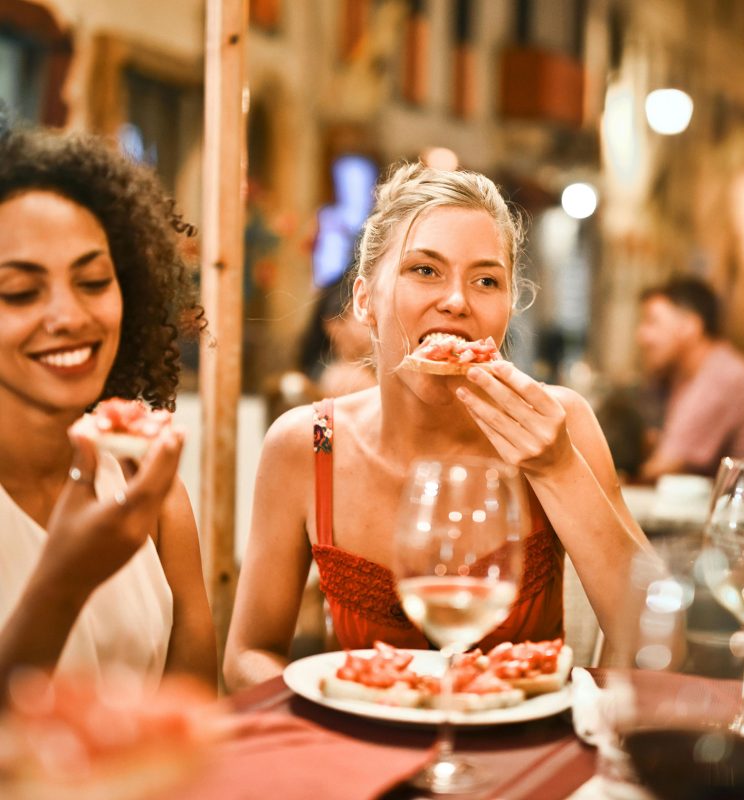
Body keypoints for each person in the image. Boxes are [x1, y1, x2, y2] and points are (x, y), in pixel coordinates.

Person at [224, 162, 650, 687]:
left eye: (486, 280)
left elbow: (655, 642)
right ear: (364, 302)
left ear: (508, 308)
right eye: (424, 270)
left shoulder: (562, 423)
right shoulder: (308, 445)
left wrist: (557, 466)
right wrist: (324, 707)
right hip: (367, 750)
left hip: (527, 754)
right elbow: (246, 654)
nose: (457, 301)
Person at [0, 121, 217, 698]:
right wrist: (61, 585)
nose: (69, 316)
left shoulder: (151, 488)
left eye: (94, 281)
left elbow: (189, 717)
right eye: (19, 292)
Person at [636, 277, 744, 482]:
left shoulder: (720, 377)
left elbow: (664, 467)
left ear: (690, 326)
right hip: (727, 504)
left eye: (652, 321)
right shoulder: (687, 374)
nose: (642, 335)